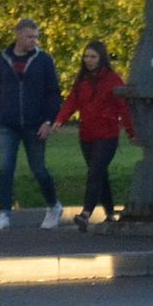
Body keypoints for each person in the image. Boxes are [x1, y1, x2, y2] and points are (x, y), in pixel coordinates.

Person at [0, 19, 66, 230]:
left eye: (36, 37)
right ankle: (3, 213)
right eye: (30, 37)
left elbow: (53, 93)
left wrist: (48, 120)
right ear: (18, 35)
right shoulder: (2, 59)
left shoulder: (43, 60)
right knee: (5, 167)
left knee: (38, 169)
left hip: (35, 123)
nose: (34, 41)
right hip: (7, 122)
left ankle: (53, 205)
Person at [54, 40, 137, 231]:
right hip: (87, 134)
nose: (89, 60)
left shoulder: (113, 79)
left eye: (93, 56)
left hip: (107, 134)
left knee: (95, 172)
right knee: (99, 173)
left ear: (101, 58)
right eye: (86, 56)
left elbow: (123, 107)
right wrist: (60, 120)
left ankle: (86, 213)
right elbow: (71, 102)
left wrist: (131, 131)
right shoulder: (82, 80)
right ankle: (110, 213)